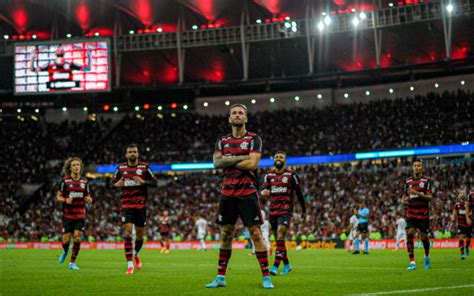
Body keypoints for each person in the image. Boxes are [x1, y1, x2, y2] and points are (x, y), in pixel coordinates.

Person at [206, 103, 274, 289]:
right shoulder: (222, 140)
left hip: (248, 192)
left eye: (240, 113)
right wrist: (239, 159)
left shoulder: (254, 139)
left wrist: (228, 160)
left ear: (246, 118)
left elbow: (252, 164)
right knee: (226, 233)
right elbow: (216, 163)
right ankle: (220, 278)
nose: (237, 115)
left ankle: (266, 277)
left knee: (255, 234)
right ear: (229, 118)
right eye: (234, 113)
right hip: (227, 193)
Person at [113, 144, 158, 274]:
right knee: (127, 233)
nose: (132, 154)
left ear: (138, 154)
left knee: (139, 236)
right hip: (126, 205)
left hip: (141, 206)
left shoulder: (144, 167)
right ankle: (129, 265)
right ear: (126, 155)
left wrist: (142, 181)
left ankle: (136, 254)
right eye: (130, 152)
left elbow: (155, 182)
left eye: (134, 152)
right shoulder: (120, 168)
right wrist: (117, 184)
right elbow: (110, 184)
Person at [261, 151, 306, 275]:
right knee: (278, 241)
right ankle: (287, 265)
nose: (278, 158)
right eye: (276, 157)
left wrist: (304, 209)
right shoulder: (269, 175)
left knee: (281, 236)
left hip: (285, 210)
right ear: (274, 160)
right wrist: (263, 192)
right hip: (273, 211)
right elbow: (263, 188)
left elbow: (299, 193)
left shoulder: (291, 174)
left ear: (285, 161)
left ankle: (275, 266)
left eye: (281, 157)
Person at [57, 157, 93, 270]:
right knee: (66, 240)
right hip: (67, 215)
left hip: (80, 214)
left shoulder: (84, 182)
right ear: (70, 168)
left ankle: (72, 263)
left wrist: (89, 199)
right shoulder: (65, 181)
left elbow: (88, 196)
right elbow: (58, 196)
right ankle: (65, 251)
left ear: (80, 167)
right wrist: (65, 200)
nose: (76, 167)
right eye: (74, 165)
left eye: (78, 165)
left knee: (77, 238)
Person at [401, 159, 433, 270]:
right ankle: (412, 263)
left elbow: (429, 198)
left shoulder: (427, 181)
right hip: (411, 211)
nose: (417, 167)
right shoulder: (407, 181)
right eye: (415, 165)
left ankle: (427, 257)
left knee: (424, 237)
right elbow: (404, 196)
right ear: (412, 167)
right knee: (409, 233)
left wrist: (417, 193)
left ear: (422, 168)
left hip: (423, 212)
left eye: (419, 166)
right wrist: (403, 200)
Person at [451, 189, 472, 260]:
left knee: (468, 238)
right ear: (459, 195)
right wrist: (453, 217)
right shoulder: (457, 204)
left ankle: (467, 247)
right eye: (461, 193)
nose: (462, 194)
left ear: (466, 195)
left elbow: (471, 211)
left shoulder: (468, 203)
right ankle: (462, 254)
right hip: (461, 224)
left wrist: (470, 214)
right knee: (461, 238)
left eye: (464, 193)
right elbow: (454, 212)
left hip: (468, 224)